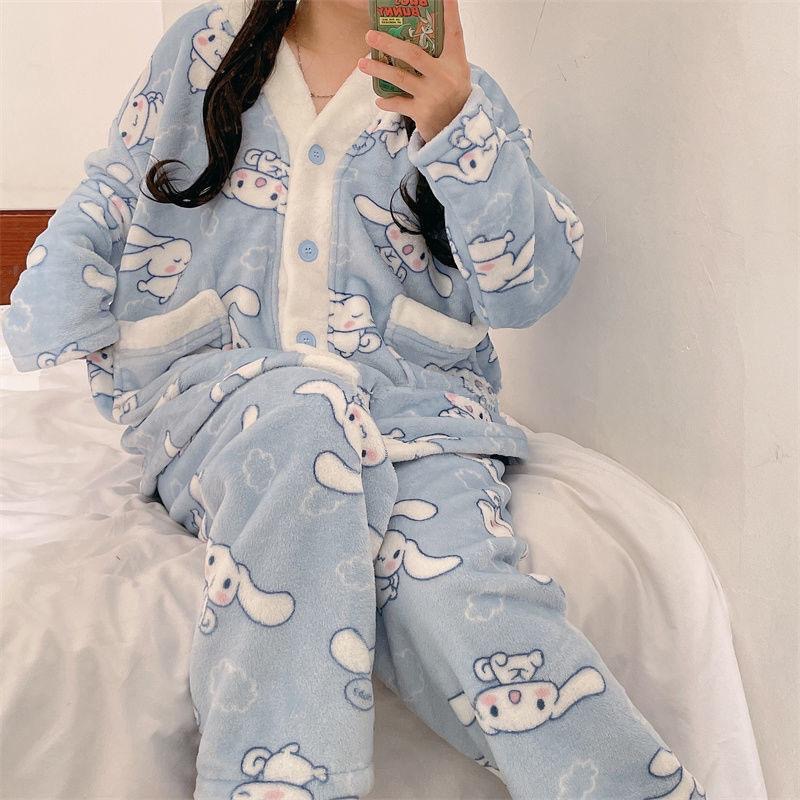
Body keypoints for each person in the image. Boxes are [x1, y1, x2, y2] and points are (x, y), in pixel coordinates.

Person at [0, 0, 708, 798]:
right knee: (304, 415)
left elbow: (527, 286)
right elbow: (114, 192)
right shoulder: (204, 51)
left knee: (456, 591)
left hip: (416, 419)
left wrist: (455, 122)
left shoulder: (462, 96)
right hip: (225, 403)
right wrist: (52, 331)